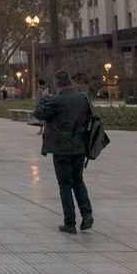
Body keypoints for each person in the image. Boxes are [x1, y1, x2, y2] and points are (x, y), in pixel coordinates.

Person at [33, 70, 94, 234]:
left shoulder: (56, 101)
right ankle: (87, 214)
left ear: (57, 83)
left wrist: (43, 98)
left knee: (65, 184)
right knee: (78, 181)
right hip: (80, 147)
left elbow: (38, 113)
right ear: (70, 82)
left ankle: (70, 222)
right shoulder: (83, 98)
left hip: (62, 149)